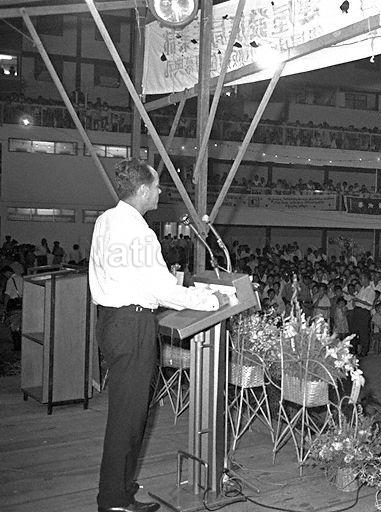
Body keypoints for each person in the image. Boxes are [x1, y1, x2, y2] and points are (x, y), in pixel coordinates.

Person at [89, 159, 226, 512]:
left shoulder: (107, 220)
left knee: (127, 413)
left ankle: (121, 488)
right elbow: (162, 289)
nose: (161, 190)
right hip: (132, 325)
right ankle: (114, 501)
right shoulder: (139, 232)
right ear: (142, 190)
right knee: (128, 418)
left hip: (112, 320)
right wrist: (210, 299)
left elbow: (135, 278)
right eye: (157, 185)